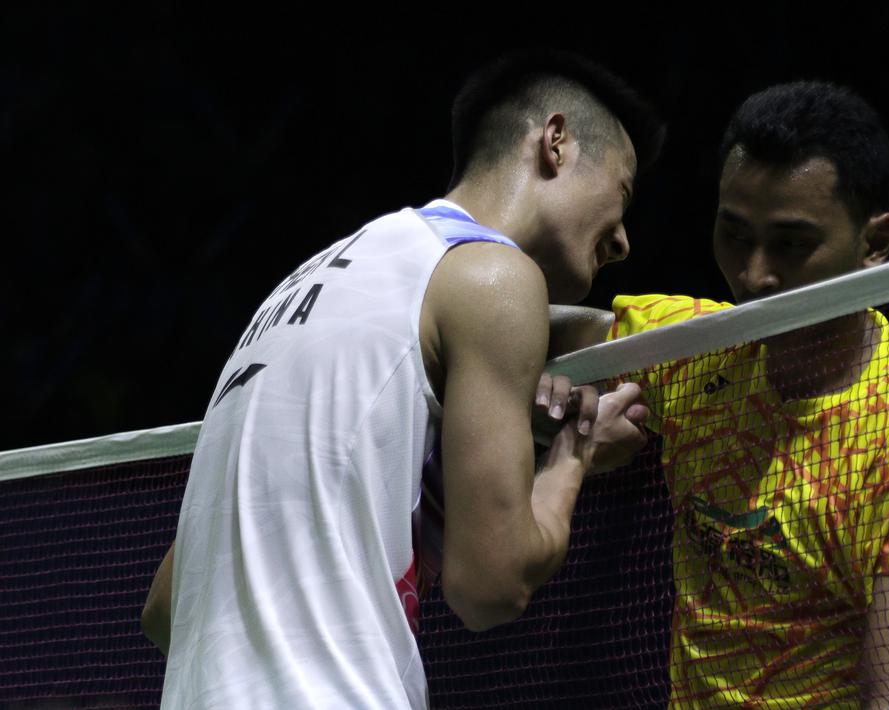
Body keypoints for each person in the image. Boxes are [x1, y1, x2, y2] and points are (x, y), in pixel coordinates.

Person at [139, 49, 664, 709]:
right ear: (554, 142)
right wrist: (573, 456)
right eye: (622, 193)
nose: (622, 242)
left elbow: (165, 606)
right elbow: (490, 587)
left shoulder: (299, 294)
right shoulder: (495, 278)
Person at [549, 81, 889, 709]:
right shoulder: (699, 348)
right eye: (734, 233)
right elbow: (515, 326)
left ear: (875, 243)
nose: (754, 276)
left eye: (791, 244)